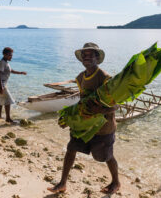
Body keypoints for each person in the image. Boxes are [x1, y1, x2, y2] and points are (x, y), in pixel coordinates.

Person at [47, 42, 120, 194]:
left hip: (103, 128)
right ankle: (62, 183)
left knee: (106, 157)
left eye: (90, 55)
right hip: (84, 125)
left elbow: (116, 106)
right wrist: (68, 118)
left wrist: (100, 109)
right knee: (71, 148)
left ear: (97, 57)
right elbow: (81, 102)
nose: (86, 58)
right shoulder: (80, 78)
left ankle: (116, 182)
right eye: (84, 55)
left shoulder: (105, 78)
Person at [0, 47, 27, 123]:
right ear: (5, 54)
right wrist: (1, 86)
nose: (11, 56)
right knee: (8, 100)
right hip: (1, 84)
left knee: (1, 99)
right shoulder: (2, 63)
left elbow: (11, 71)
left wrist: (20, 72)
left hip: (1, 84)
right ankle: (8, 118)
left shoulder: (6, 62)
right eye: (10, 55)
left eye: (11, 55)